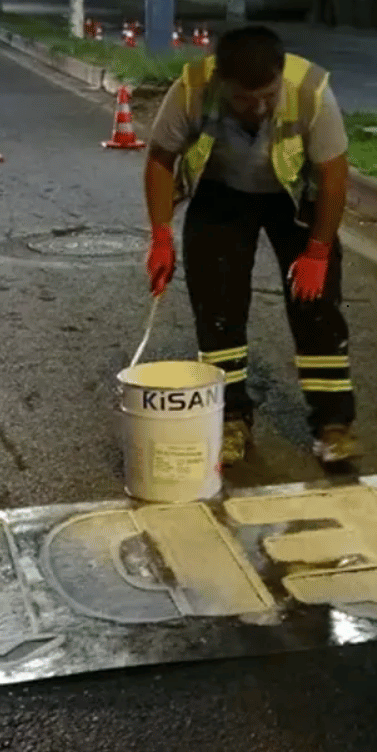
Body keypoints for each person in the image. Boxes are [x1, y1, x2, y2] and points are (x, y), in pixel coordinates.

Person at [141, 26, 359, 466]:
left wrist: (317, 252)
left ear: (280, 76)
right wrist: (161, 235)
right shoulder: (192, 90)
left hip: (294, 197)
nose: (258, 108)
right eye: (244, 99)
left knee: (316, 306)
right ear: (223, 83)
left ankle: (333, 425)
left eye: (268, 95)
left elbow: (334, 177)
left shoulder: (311, 92)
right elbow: (161, 159)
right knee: (217, 306)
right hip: (221, 193)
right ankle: (231, 419)